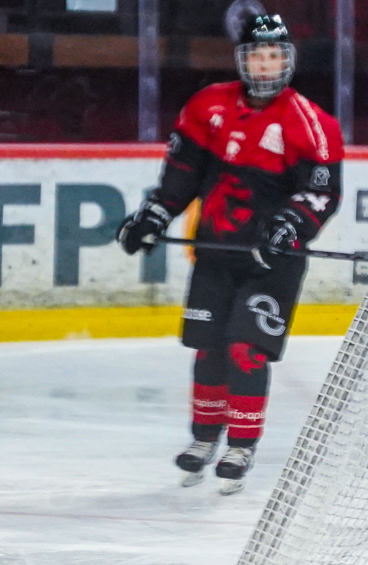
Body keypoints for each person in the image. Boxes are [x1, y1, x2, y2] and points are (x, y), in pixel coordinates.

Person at [117, 13, 343, 494]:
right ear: (243, 60)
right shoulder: (207, 106)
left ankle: (241, 445)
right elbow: (182, 175)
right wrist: (154, 215)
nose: (265, 65)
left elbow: (320, 193)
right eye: (257, 56)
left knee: (246, 350)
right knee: (209, 348)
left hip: (271, 262)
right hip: (216, 251)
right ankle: (203, 440)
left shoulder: (312, 124)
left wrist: (289, 225)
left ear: (287, 61)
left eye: (274, 56)